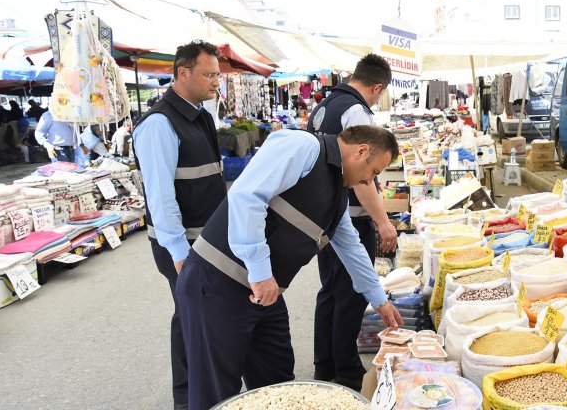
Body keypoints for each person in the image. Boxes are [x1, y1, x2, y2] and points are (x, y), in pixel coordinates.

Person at [176, 125, 404, 410]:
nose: (370, 181)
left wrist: (379, 299)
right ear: (361, 151)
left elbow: (351, 246)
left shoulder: (337, 192)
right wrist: (260, 272)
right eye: (374, 172)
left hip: (266, 293)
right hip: (217, 283)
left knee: (279, 384)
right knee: (217, 390)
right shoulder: (304, 146)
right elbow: (247, 196)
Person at [133, 40, 227, 410]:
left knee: (195, 319)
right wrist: (178, 253)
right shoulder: (159, 124)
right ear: (182, 73)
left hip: (205, 241)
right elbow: (160, 197)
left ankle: (197, 396)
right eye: (209, 74)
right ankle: (189, 400)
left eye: (218, 74)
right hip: (184, 246)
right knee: (195, 322)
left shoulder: (200, 115)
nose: (216, 82)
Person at [306, 53, 397, 391]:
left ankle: (324, 364)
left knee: (330, 291)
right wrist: (383, 222)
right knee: (350, 294)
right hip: (349, 217)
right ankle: (345, 372)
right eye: (379, 94)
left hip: (328, 216)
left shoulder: (324, 105)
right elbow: (363, 179)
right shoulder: (357, 110)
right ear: (377, 87)